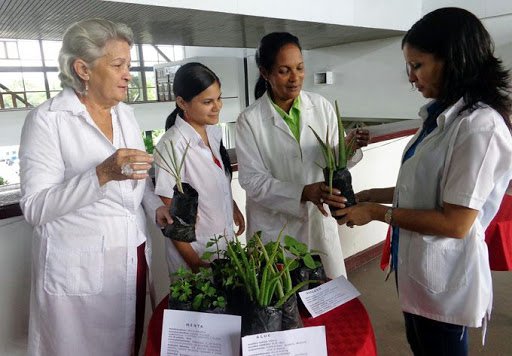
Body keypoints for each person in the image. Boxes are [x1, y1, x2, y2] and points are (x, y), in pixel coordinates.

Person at [337, 7, 512, 355]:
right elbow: (426, 190)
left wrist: (376, 212)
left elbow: (457, 221)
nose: (411, 78)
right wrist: (371, 194)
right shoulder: (439, 116)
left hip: (445, 279)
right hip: (418, 269)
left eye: (418, 66)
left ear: (453, 61)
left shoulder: (479, 127)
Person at [19, 19, 172, 356]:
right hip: (80, 268)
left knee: (130, 344)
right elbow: (35, 208)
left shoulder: (125, 115)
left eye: (128, 65)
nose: (128, 74)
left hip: (132, 254)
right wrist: (101, 173)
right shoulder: (47, 120)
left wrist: (154, 206)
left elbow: (136, 176)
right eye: (118, 65)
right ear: (82, 69)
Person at [235, 32, 370, 278]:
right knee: (280, 304)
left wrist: (349, 148)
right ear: (265, 72)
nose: (295, 78)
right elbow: (252, 181)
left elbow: (335, 161)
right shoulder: (249, 121)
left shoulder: (320, 106)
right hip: (274, 229)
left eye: (299, 68)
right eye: (284, 71)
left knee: (327, 299)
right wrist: (303, 193)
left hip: (319, 222)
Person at [154, 62, 245, 275]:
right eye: (207, 102)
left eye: (219, 98)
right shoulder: (172, 145)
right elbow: (172, 218)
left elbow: (209, 185)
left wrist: (230, 205)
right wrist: (195, 263)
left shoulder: (212, 133)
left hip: (223, 246)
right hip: (195, 255)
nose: (217, 106)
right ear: (182, 103)